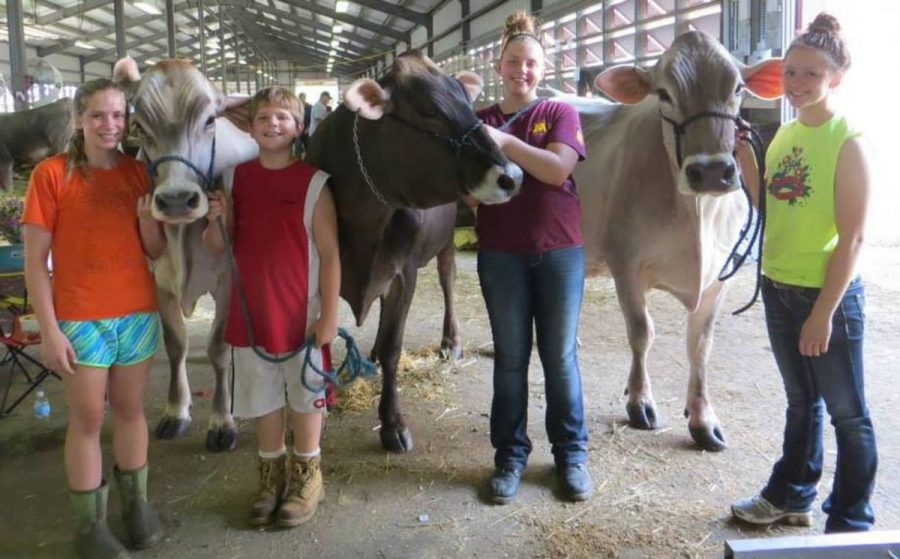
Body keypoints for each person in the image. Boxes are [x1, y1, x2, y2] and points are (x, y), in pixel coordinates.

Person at [731, 13, 877, 533]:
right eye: (791, 73)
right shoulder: (787, 132)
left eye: (811, 74)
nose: (796, 84)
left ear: (836, 77)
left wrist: (824, 313)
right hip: (778, 286)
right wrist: (748, 164)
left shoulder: (847, 140)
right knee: (800, 402)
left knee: (848, 414)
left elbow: (853, 236)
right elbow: (770, 204)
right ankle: (792, 495)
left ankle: (850, 520)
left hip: (825, 296)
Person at [22, 78, 166, 558]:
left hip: (137, 311)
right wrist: (48, 328)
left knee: (131, 411)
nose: (110, 125)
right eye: (99, 115)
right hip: (82, 319)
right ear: (79, 119)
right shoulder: (51, 175)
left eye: (119, 115)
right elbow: (35, 263)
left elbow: (155, 249)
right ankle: (89, 529)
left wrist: (149, 223)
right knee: (86, 419)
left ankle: (138, 510)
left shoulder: (137, 174)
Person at [469, 10, 592, 505]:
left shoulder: (559, 113)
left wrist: (505, 144)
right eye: (513, 61)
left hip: (560, 249)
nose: (522, 69)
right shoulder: (477, 122)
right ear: (499, 65)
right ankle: (510, 456)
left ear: (542, 69)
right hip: (501, 254)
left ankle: (571, 454)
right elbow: (473, 196)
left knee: (560, 357)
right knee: (511, 359)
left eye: (531, 63)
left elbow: (557, 168)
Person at [203, 86, 340, 528]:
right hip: (252, 309)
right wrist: (215, 219)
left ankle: (306, 476)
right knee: (261, 397)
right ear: (251, 126)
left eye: (283, 117)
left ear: (299, 127)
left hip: (301, 311)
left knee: (305, 395)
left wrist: (330, 316)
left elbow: (330, 252)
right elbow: (216, 246)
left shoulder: (314, 181)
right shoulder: (234, 178)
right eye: (263, 117)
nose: (272, 124)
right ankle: (270, 477)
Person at [296, 91, 313, 157]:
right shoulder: (296, 107)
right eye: (300, 98)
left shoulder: (310, 107)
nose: (302, 99)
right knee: (298, 148)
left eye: (303, 98)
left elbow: (312, 119)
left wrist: (308, 128)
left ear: (305, 98)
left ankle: (309, 163)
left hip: (307, 130)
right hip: (298, 130)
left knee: (308, 148)